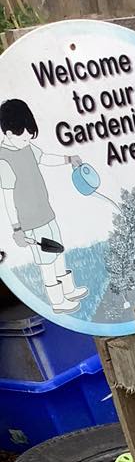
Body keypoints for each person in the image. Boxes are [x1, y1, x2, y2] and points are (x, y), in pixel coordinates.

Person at [0, 99, 88, 313]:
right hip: (31, 221)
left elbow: (45, 158)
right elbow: (7, 197)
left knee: (58, 251)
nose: (28, 139)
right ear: (9, 133)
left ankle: (68, 289)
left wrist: (69, 159)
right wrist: (17, 230)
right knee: (46, 261)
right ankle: (57, 301)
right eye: (24, 135)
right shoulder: (4, 159)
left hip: (46, 212)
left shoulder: (27, 147)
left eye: (31, 135)